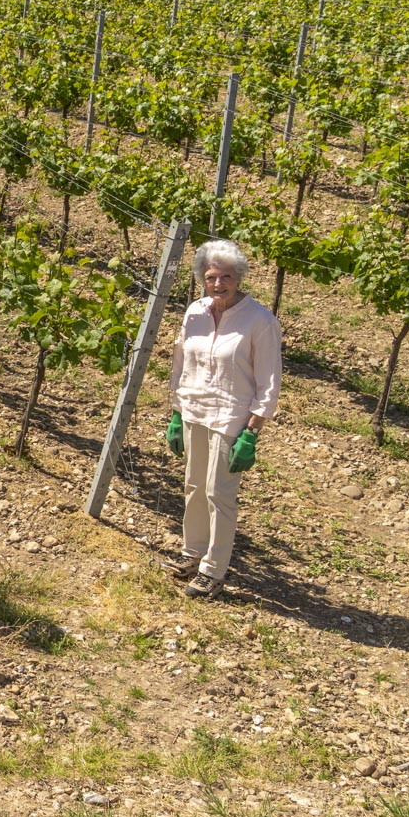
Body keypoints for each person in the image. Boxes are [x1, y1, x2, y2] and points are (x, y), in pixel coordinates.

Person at [162, 239, 279, 598]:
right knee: (194, 487)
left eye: (226, 277)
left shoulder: (259, 321)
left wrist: (252, 432)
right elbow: (182, 365)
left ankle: (213, 570)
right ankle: (192, 554)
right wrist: (177, 413)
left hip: (231, 418)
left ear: (238, 277)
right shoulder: (194, 312)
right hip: (195, 410)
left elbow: (269, 382)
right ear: (202, 278)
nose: (218, 284)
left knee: (219, 494)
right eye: (212, 277)